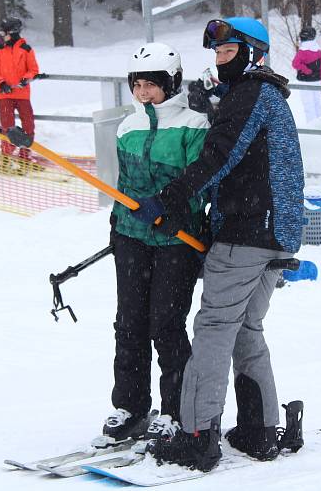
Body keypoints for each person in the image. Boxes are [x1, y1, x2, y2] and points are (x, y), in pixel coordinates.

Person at [134, 17, 305, 472]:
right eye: (216, 54)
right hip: (274, 233)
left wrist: (168, 199)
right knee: (246, 328)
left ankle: (196, 434)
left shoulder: (250, 95)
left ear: (253, 54)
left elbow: (219, 156)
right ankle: (259, 429)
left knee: (212, 329)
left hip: (247, 234)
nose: (218, 61)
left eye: (228, 53)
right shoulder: (265, 96)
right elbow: (238, 159)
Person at [101, 43, 210, 444]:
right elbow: (124, 184)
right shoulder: (127, 127)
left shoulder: (194, 124)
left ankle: (175, 410)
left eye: (152, 84)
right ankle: (130, 406)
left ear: (172, 83)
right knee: (129, 323)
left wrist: (171, 212)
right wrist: (119, 222)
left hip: (175, 239)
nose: (144, 92)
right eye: (138, 84)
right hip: (133, 237)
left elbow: (200, 183)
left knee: (166, 324)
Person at [0, 17, 39, 174]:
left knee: (28, 123)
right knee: (7, 126)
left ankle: (25, 157)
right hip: (5, 95)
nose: (2, 35)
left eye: (4, 32)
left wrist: (25, 79)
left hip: (22, 94)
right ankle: (6, 157)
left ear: (13, 32)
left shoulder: (26, 49)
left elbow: (33, 70)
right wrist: (1, 83)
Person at [291, 26, 321, 122]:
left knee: (308, 105)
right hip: (317, 80)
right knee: (317, 104)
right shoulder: (318, 50)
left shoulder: (302, 51)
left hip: (305, 81)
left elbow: (295, 64)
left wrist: (306, 70)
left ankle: (312, 126)